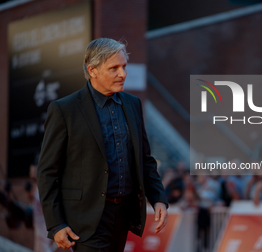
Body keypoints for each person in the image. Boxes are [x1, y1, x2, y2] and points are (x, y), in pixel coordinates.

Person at [37, 38, 169, 252]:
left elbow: (144, 159)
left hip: (123, 216)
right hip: (85, 219)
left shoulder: (133, 105)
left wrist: (158, 198)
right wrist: (56, 224)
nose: (123, 74)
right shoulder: (64, 109)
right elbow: (47, 172)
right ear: (93, 70)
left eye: (124, 66)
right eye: (114, 68)